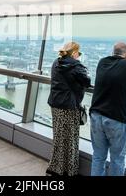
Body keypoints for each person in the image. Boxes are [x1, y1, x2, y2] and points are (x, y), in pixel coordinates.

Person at [90, 42, 126, 176]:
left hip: (96, 115)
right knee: (117, 159)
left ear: (113, 52)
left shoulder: (102, 62)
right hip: (116, 118)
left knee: (98, 156)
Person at [46, 42, 91, 176]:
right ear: (75, 53)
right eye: (79, 53)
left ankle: (55, 168)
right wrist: (80, 63)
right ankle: (69, 171)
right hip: (69, 106)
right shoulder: (76, 65)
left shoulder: (56, 62)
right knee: (71, 139)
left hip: (55, 103)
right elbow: (87, 82)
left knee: (59, 136)